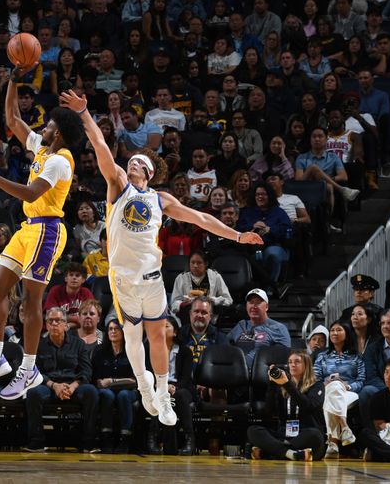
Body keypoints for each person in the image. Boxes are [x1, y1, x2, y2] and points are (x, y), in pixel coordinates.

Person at [58, 89, 262, 428]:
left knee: (156, 336)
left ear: (150, 173)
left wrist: (238, 235)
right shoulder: (117, 186)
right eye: (132, 161)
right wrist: (84, 114)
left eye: (140, 163)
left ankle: (164, 397)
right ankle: (144, 387)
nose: (132, 163)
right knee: (132, 337)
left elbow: (201, 219)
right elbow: (101, 148)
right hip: (122, 276)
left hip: (151, 276)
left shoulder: (159, 198)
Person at [0, 66, 84, 400]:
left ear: (57, 134)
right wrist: (13, 81)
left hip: (47, 230)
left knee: (31, 301)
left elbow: (31, 194)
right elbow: (13, 120)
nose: (43, 127)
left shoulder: (60, 160)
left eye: (49, 125)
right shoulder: (43, 149)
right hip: (27, 229)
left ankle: (29, 368)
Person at [23, 306, 99, 452]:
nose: (54, 324)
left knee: (91, 392)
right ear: (46, 325)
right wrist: (54, 385)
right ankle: (36, 442)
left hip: (73, 386)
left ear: (66, 325)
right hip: (49, 386)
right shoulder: (38, 345)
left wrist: (73, 386)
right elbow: (34, 371)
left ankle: (88, 443)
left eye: (58, 321)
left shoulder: (78, 344)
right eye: (50, 321)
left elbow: (86, 370)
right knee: (33, 393)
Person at [246, 351, 326, 461]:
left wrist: (287, 384)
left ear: (306, 365)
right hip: (284, 435)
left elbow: (308, 406)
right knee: (253, 430)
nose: (292, 365)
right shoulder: (282, 387)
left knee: (315, 435)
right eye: (290, 362)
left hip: (304, 435)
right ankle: (291, 454)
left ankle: (270, 452)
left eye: (297, 362)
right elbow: (268, 412)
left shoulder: (317, 386)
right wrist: (272, 384)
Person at [313, 321, 365, 457]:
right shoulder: (322, 356)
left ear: (347, 334)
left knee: (335, 389)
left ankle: (332, 441)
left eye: (339, 330)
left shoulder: (356, 357)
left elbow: (361, 381)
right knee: (333, 387)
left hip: (350, 392)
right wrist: (326, 384)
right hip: (326, 391)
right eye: (332, 330)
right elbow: (315, 380)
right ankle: (344, 428)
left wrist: (346, 385)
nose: (334, 333)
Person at [145, 317, 194, 456]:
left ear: (175, 332)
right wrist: (162, 387)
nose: (161, 329)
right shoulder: (151, 349)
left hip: (181, 388)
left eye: (166, 326)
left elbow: (186, 378)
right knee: (157, 396)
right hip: (158, 387)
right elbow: (148, 373)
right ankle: (152, 439)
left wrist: (174, 387)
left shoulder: (185, 352)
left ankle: (189, 439)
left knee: (179, 395)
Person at [92, 318, 138, 453]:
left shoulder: (132, 350)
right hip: (107, 391)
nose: (113, 331)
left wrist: (111, 381)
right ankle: (106, 437)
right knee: (107, 395)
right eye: (110, 329)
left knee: (123, 395)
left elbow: (135, 381)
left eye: (116, 328)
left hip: (129, 391)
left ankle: (125, 439)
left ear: (123, 331)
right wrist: (121, 381)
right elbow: (98, 381)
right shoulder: (100, 351)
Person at [227, 288, 291, 368]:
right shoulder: (241, 325)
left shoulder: (278, 328)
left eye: (258, 302)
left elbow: (283, 358)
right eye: (251, 302)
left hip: (263, 376)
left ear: (266, 307)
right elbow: (226, 347)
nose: (254, 306)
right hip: (237, 373)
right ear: (246, 306)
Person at [169, 250, 232, 323]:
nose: (195, 266)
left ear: (206, 264)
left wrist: (213, 300)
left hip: (210, 316)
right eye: (192, 262)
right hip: (187, 316)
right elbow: (173, 304)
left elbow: (228, 300)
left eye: (199, 263)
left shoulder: (216, 277)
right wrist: (182, 304)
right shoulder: (181, 278)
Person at [361, 309, 390, 426]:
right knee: (367, 391)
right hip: (382, 389)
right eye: (382, 323)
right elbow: (371, 376)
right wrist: (389, 390)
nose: (385, 326)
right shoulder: (373, 348)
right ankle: (371, 431)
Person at [360, 357, 390, 461]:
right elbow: (379, 426)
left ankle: (382, 454)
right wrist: (389, 427)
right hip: (387, 436)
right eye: (386, 372)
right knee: (366, 433)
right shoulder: (378, 397)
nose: (388, 377)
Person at [44, 263, 96, 328]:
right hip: (57, 328)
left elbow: (90, 319)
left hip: (79, 329)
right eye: (71, 275)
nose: (74, 278)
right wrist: (76, 319)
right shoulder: (55, 291)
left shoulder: (86, 293)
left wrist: (69, 325)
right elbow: (51, 315)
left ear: (83, 280)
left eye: (77, 275)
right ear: (66, 278)